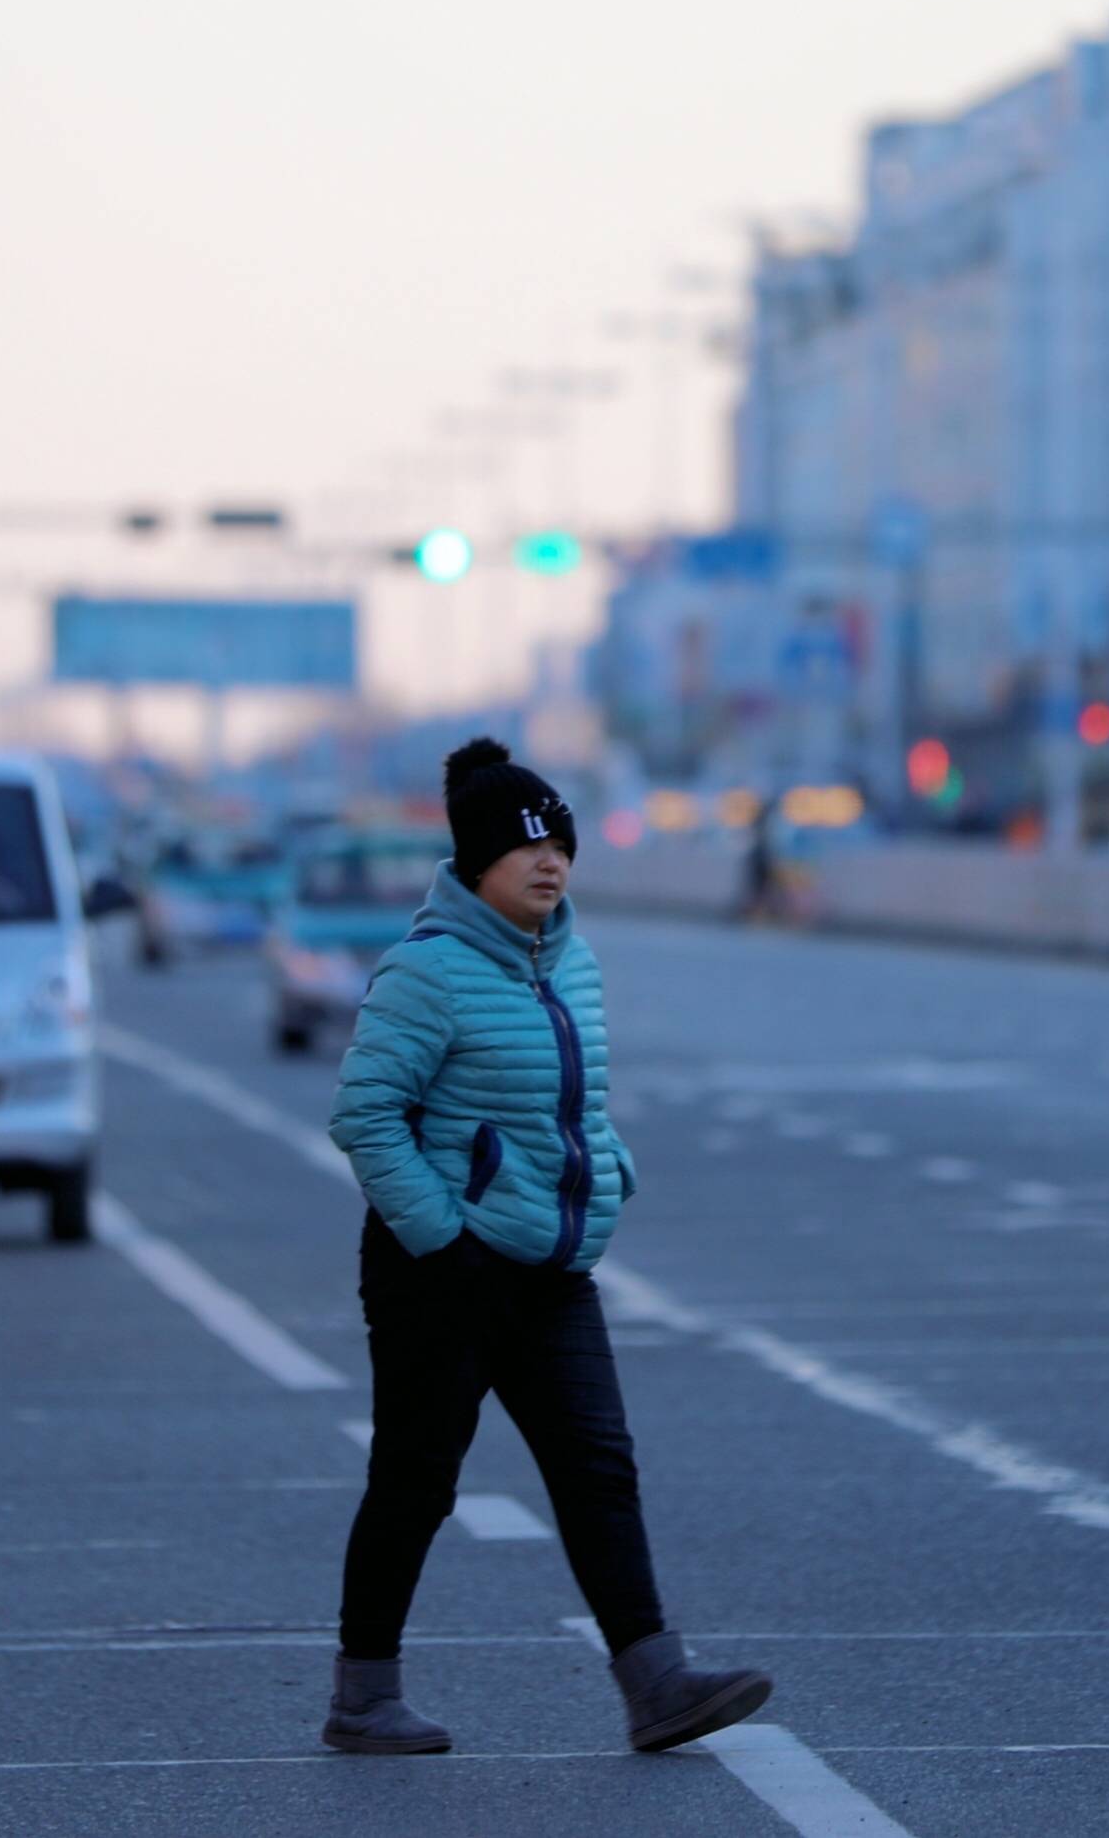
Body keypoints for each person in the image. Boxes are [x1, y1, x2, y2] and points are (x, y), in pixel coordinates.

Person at [318, 738, 771, 1756]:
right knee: (417, 1479)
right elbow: (364, 1115)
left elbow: (569, 1103)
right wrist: (440, 1235)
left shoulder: (571, 962)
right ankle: (361, 1695)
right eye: (523, 847)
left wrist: (606, 1166)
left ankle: (655, 1682)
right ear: (475, 865)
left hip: (551, 1266)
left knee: (597, 1467)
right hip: (439, 1273)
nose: (546, 862)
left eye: (557, 842)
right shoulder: (426, 971)